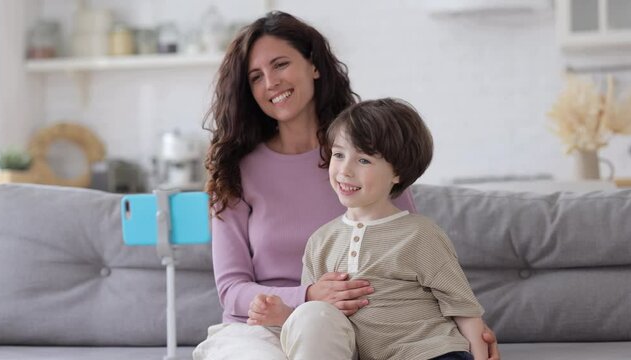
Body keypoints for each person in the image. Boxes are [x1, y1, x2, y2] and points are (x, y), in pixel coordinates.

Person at [193, 11, 500, 360]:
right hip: (258, 330)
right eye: (256, 77)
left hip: (349, 328)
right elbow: (231, 290)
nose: (271, 82)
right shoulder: (234, 170)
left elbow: (411, 250)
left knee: (320, 321)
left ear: (314, 65)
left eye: (280, 65)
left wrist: (472, 330)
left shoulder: (367, 158)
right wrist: (308, 295)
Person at [247, 98, 488, 360]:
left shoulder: (421, 234)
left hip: (433, 353)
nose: (345, 170)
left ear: (397, 172)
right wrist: (283, 315)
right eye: (339, 155)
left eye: (363, 160)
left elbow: (462, 307)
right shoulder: (320, 242)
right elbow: (317, 321)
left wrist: (481, 353)